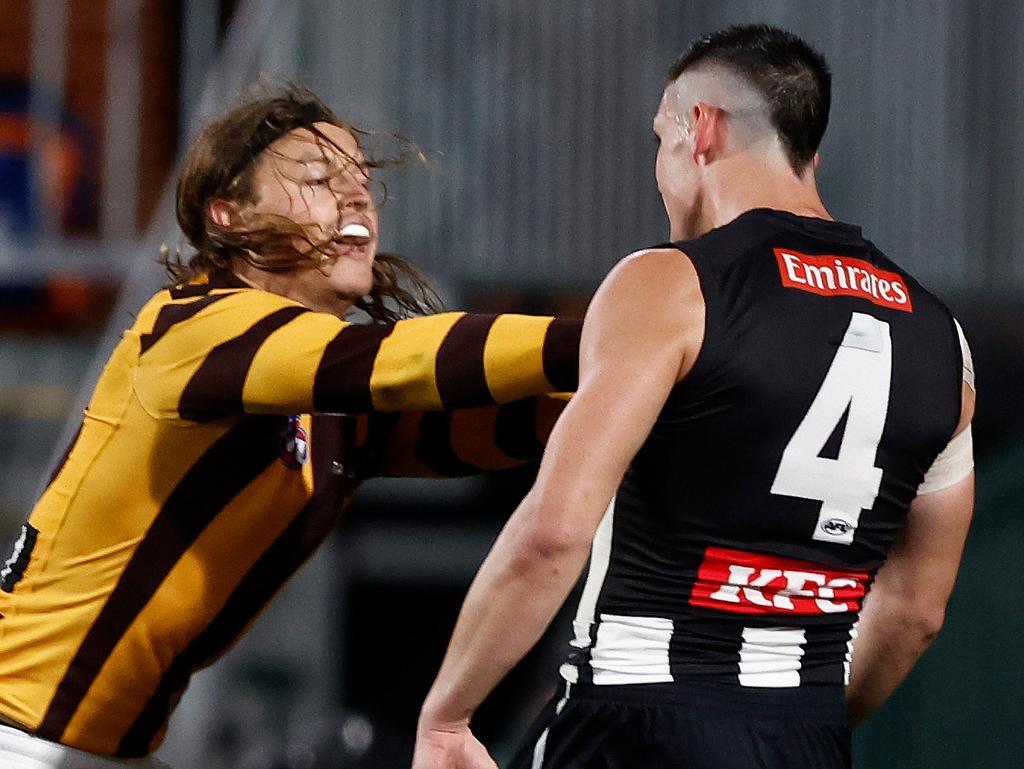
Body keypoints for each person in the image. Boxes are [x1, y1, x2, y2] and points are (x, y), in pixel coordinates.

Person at [413, 24, 975, 769]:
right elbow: (915, 611)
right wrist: (794, 723)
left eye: (660, 137)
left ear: (699, 128)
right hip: (806, 735)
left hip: (634, 720)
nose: (659, 167)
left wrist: (448, 715)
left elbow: (553, 532)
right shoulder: (944, 340)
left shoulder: (671, 284)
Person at [0, 86, 580, 768]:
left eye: (363, 184)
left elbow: (473, 431)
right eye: (318, 180)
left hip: (93, 746)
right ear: (230, 216)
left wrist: (638, 392)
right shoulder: (194, 326)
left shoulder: (321, 394)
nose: (357, 198)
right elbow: (401, 365)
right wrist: (618, 334)